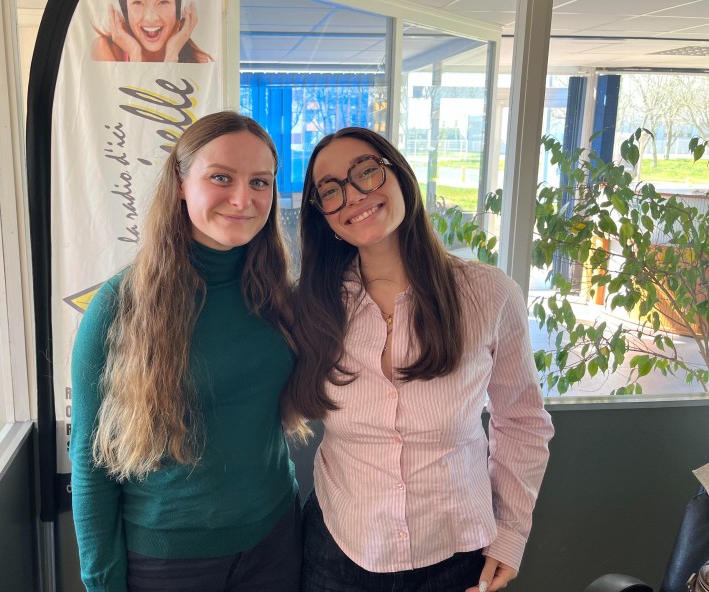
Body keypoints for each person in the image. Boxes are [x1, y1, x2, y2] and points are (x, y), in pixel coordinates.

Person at [285, 127, 554, 592]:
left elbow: (522, 421)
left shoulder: (488, 294)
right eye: (330, 190)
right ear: (322, 214)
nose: (354, 195)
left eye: (366, 172)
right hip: (338, 550)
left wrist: (511, 533)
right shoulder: (312, 305)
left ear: (400, 176)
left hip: (456, 552)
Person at [70, 111, 304, 592]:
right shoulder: (120, 305)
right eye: (221, 177)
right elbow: (91, 463)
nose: (243, 199)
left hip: (276, 538)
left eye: (260, 182)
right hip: (169, 560)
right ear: (180, 183)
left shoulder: (276, 294)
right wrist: (101, 582)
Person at [91, 0, 212, 63]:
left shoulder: (200, 61)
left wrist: (171, 55)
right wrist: (135, 54)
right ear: (124, 12)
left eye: (163, 2)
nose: (151, 18)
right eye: (138, 2)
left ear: (178, 10)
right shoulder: (105, 49)